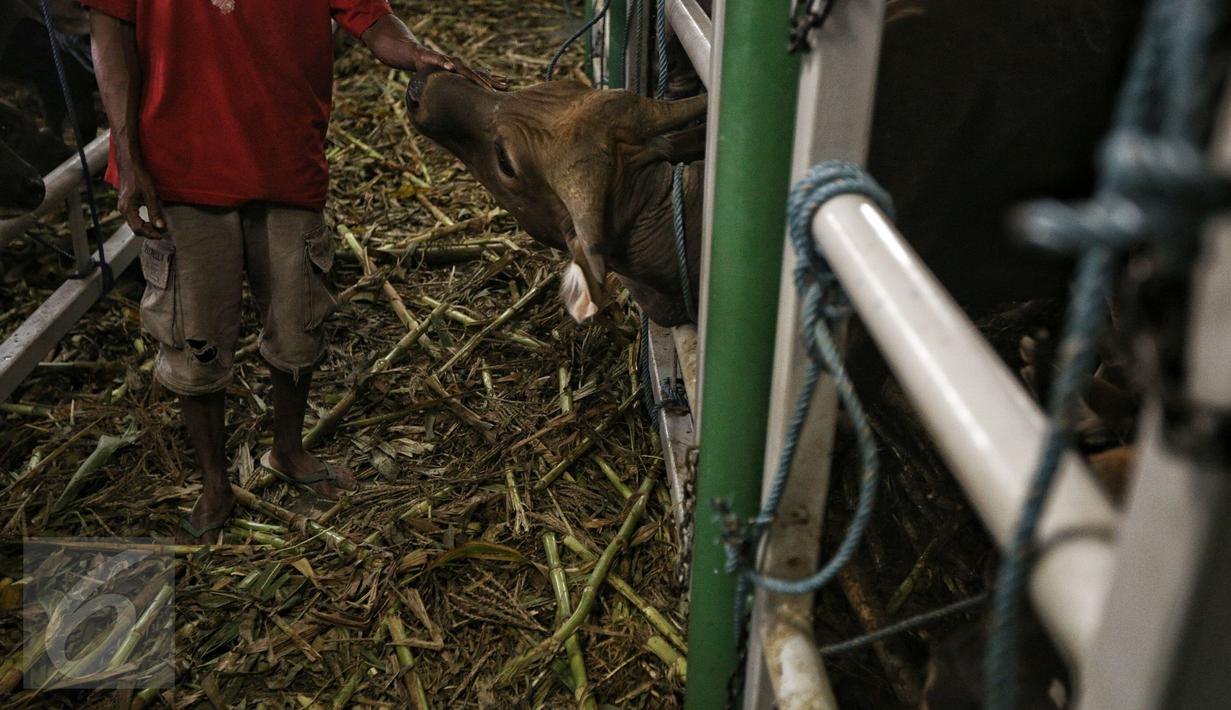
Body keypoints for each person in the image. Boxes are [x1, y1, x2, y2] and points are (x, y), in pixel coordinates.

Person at [83, 0, 502, 543]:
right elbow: (109, 31)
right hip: (178, 166)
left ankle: (288, 449)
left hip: (284, 158)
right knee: (194, 335)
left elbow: (369, 18)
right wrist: (127, 152)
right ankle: (214, 481)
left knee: (298, 320)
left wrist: (416, 51)